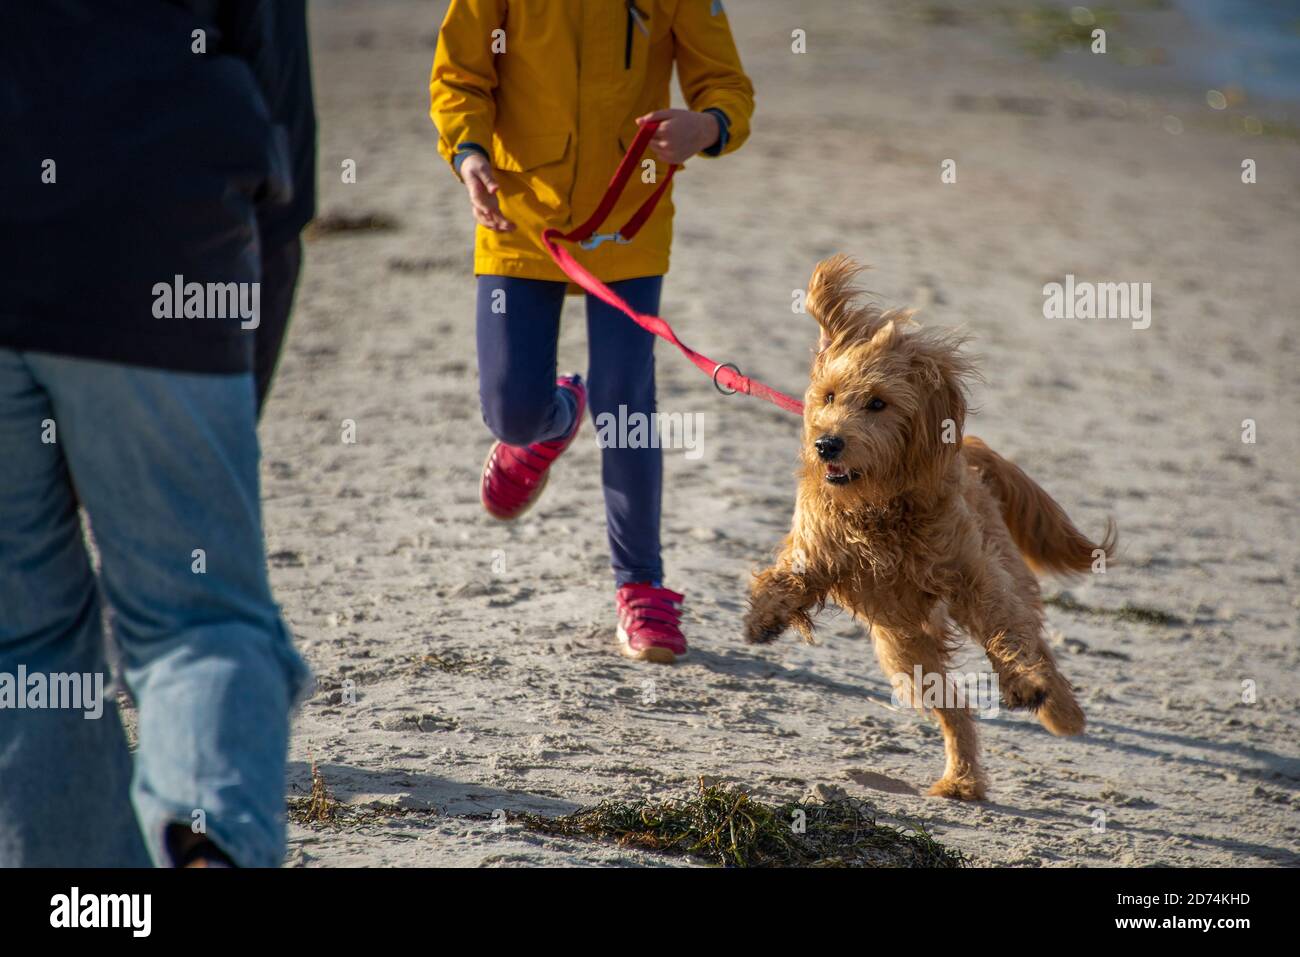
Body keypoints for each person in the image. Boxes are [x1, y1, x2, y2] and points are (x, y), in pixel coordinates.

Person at [0, 0, 313, 867]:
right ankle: (206, 840)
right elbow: (286, 130)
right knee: (195, 619)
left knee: (21, 645)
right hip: (158, 230)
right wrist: (229, 396)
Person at [430, 0, 754, 663]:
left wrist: (708, 126)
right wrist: (468, 154)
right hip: (518, 220)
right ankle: (549, 420)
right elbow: (459, 75)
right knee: (510, 412)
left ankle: (642, 587)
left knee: (625, 400)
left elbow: (725, 86)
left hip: (628, 220)